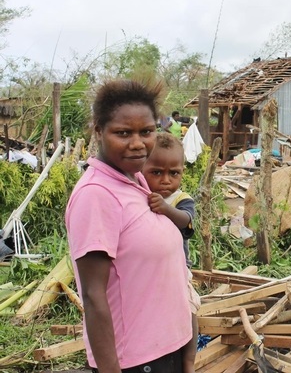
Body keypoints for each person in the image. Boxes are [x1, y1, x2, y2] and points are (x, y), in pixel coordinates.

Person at [65, 79, 193, 373]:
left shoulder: (137, 181)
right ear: (98, 131)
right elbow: (93, 295)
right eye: (123, 133)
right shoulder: (97, 195)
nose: (138, 144)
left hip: (166, 348)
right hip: (135, 360)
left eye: (146, 131)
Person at [141, 132, 201, 370]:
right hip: (149, 272)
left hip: (177, 271)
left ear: (182, 172)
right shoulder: (138, 195)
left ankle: (188, 363)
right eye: (156, 172)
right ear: (141, 169)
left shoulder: (181, 200)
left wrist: (166, 209)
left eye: (173, 173)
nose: (166, 180)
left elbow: (186, 222)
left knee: (189, 311)